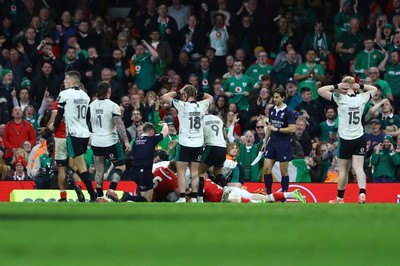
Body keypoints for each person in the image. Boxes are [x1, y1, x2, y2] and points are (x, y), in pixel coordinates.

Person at [318, 76, 377, 204]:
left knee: (343, 169)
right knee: (358, 168)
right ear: (354, 87)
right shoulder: (362, 98)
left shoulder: (341, 98)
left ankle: (340, 198)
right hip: (359, 137)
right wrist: (360, 86)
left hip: (345, 139)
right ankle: (362, 194)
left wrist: (336, 86)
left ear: (344, 87)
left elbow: (320, 91)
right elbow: (374, 89)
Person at [48, 71, 97, 202]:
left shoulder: (64, 94)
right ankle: (90, 193)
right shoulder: (85, 95)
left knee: (80, 167)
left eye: (66, 79)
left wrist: (53, 126)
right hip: (85, 134)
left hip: (73, 135)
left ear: (73, 82)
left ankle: (93, 195)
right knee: (77, 165)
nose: (64, 81)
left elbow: (59, 116)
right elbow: (87, 117)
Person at [161, 85, 213, 203]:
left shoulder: (181, 105)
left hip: (185, 142)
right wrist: (197, 93)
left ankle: (183, 197)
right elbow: (210, 97)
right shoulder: (203, 105)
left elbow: (164, 97)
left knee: (181, 171)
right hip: (198, 143)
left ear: (185, 95)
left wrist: (178, 91)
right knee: (195, 172)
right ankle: (194, 197)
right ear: (195, 95)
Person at [89, 81, 131, 202]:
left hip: (96, 141)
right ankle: (111, 190)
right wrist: (126, 141)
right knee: (121, 166)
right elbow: (119, 125)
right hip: (110, 141)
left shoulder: (91, 105)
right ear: (108, 91)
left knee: (99, 169)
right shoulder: (113, 105)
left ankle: (100, 196)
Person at [261, 87, 296, 196]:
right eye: (273, 97)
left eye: (277, 97)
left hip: (283, 143)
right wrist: (265, 141)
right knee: (266, 169)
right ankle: (269, 194)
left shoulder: (289, 112)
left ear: (283, 98)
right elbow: (270, 126)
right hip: (272, 142)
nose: (274, 99)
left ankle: (284, 195)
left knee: (283, 171)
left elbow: (292, 128)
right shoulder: (271, 110)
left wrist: (279, 129)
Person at [128, 122, 168, 202]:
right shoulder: (151, 139)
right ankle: (128, 197)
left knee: (149, 191)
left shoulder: (136, 141)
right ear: (150, 132)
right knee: (144, 199)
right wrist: (165, 124)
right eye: (153, 133)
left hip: (135, 171)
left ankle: (147, 208)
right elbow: (165, 132)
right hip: (143, 172)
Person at [197, 114, 227, 203]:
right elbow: (225, 136)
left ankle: (199, 197)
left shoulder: (201, 120)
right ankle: (225, 188)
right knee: (217, 171)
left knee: (200, 172)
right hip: (223, 147)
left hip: (211, 146)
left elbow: (199, 136)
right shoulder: (218, 119)